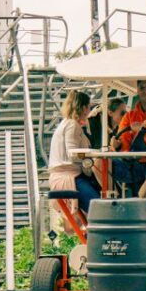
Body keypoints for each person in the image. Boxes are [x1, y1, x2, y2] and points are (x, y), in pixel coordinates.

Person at [48, 90, 100, 220]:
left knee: (99, 201)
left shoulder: (66, 123)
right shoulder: (72, 125)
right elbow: (72, 153)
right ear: (83, 108)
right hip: (69, 176)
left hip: (64, 175)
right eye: (88, 107)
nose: (89, 111)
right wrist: (93, 154)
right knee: (99, 206)